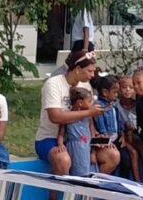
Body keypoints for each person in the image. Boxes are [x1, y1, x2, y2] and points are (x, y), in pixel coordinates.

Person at [34, 50, 106, 200]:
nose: (92, 75)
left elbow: (89, 115)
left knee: (112, 155)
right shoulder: (54, 84)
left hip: (80, 137)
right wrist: (89, 113)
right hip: (50, 138)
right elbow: (55, 116)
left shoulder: (85, 86)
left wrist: (96, 136)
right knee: (63, 159)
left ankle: (86, 192)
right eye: (89, 71)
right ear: (78, 69)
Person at [56, 87, 101, 177]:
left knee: (89, 174)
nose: (91, 104)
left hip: (86, 148)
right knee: (77, 174)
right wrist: (60, 144)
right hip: (74, 149)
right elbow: (61, 133)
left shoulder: (89, 117)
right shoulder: (68, 116)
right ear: (80, 103)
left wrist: (93, 153)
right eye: (89, 101)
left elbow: (92, 136)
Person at [116, 75, 143, 181]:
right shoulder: (116, 106)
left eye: (131, 87)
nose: (128, 90)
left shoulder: (137, 105)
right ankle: (137, 181)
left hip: (134, 135)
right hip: (122, 137)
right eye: (124, 87)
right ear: (119, 89)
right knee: (133, 153)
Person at [90, 75, 124, 175]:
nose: (117, 95)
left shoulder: (113, 105)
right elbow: (101, 127)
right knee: (114, 156)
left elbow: (118, 122)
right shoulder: (99, 106)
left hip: (114, 138)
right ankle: (95, 180)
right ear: (105, 92)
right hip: (102, 139)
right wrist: (107, 140)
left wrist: (122, 134)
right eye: (115, 92)